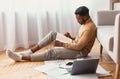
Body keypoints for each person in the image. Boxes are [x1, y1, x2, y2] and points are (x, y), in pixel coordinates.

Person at [6, 6, 96, 62]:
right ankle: (30, 51)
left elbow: (79, 46)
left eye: (78, 19)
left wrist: (62, 44)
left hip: (80, 52)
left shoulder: (90, 27)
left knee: (52, 52)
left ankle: (21, 58)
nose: (77, 21)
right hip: (75, 44)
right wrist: (71, 37)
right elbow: (80, 39)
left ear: (84, 17)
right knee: (53, 34)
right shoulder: (85, 23)